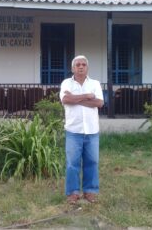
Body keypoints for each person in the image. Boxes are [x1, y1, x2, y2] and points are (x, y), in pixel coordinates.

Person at [59, 55, 104, 204]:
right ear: (73, 68)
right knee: (72, 163)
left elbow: (99, 103)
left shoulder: (95, 84)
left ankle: (90, 191)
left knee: (92, 161)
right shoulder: (66, 83)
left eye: (84, 64)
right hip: (73, 130)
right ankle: (73, 193)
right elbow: (65, 100)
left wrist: (76, 98)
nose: (80, 66)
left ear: (87, 68)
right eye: (77, 64)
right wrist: (86, 97)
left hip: (92, 131)